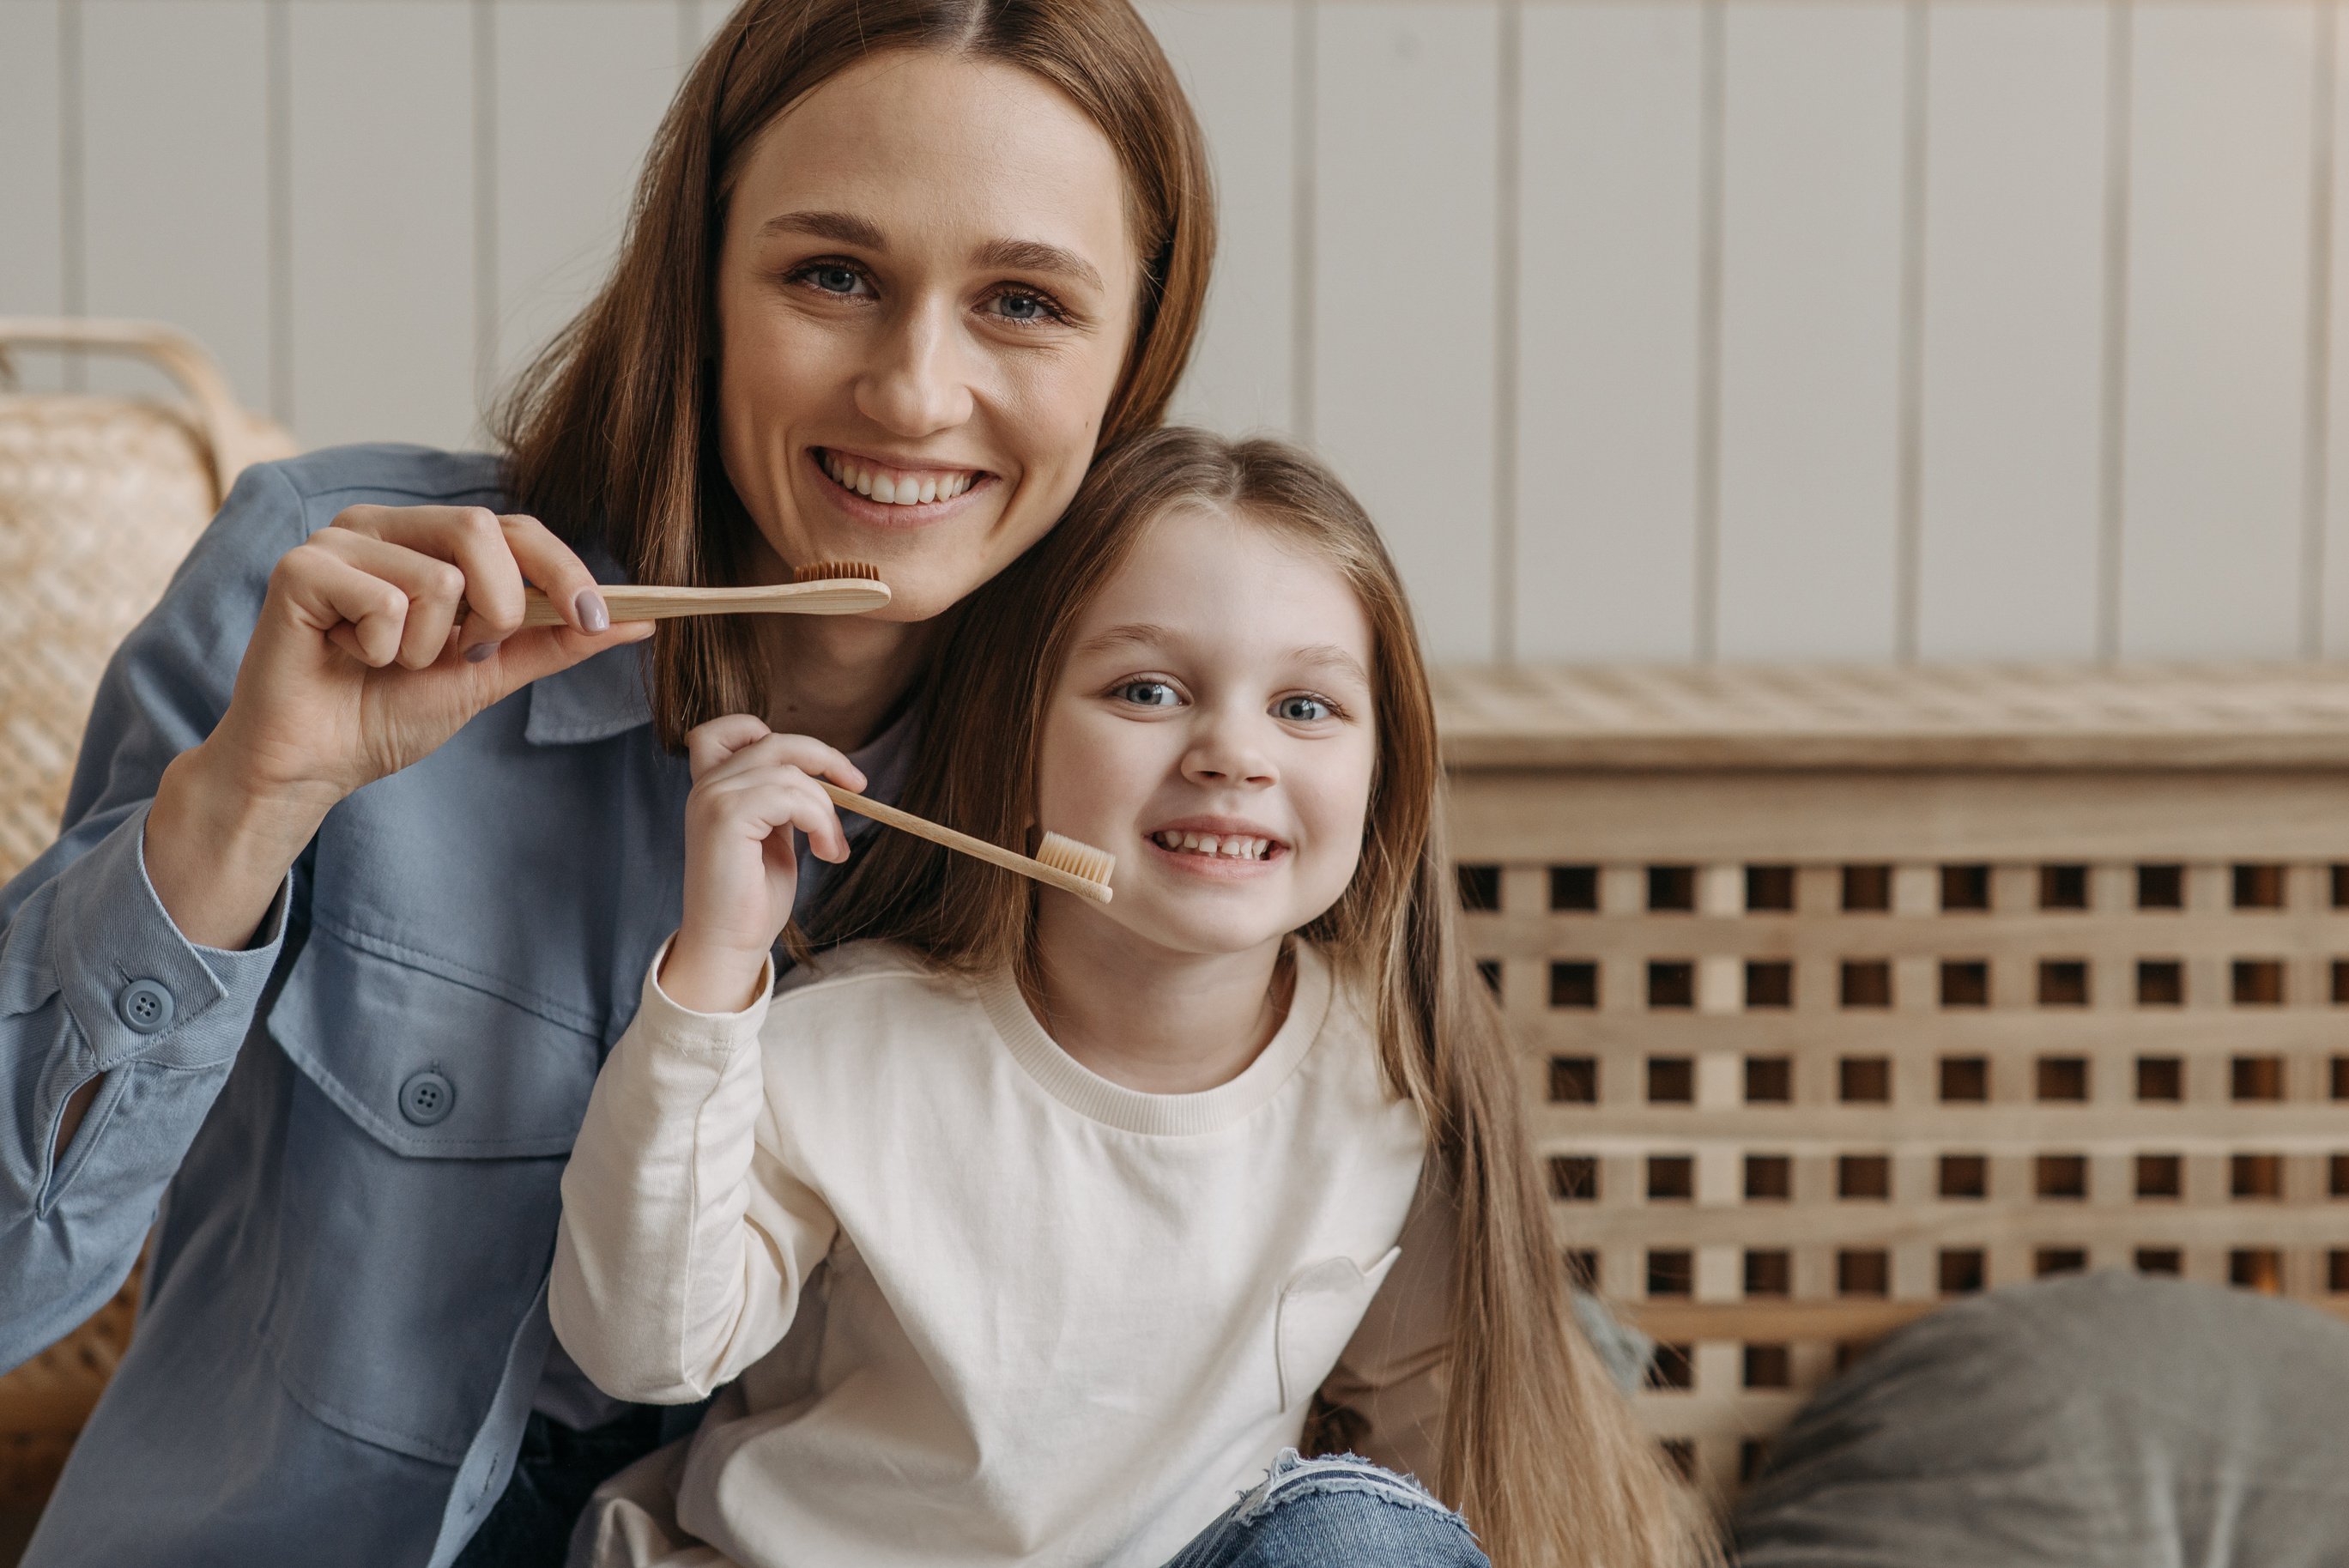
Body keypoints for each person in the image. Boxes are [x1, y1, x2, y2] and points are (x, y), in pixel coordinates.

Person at [0, 2, 1211, 1562]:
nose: (913, 393)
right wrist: (245, 805)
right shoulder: (318, 597)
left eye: (1025, 302)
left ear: (1136, 354)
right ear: (698, 286)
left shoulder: (1163, 770)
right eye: (830, 277)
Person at [548, 428, 1710, 1568]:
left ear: (1381, 770)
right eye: (1147, 690)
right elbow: (642, 1347)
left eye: (1304, 709)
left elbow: (1433, 1415)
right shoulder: (845, 1047)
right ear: (1016, 730)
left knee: (1361, 1539)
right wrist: (714, 970)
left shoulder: (1381, 1078)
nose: (1233, 755)